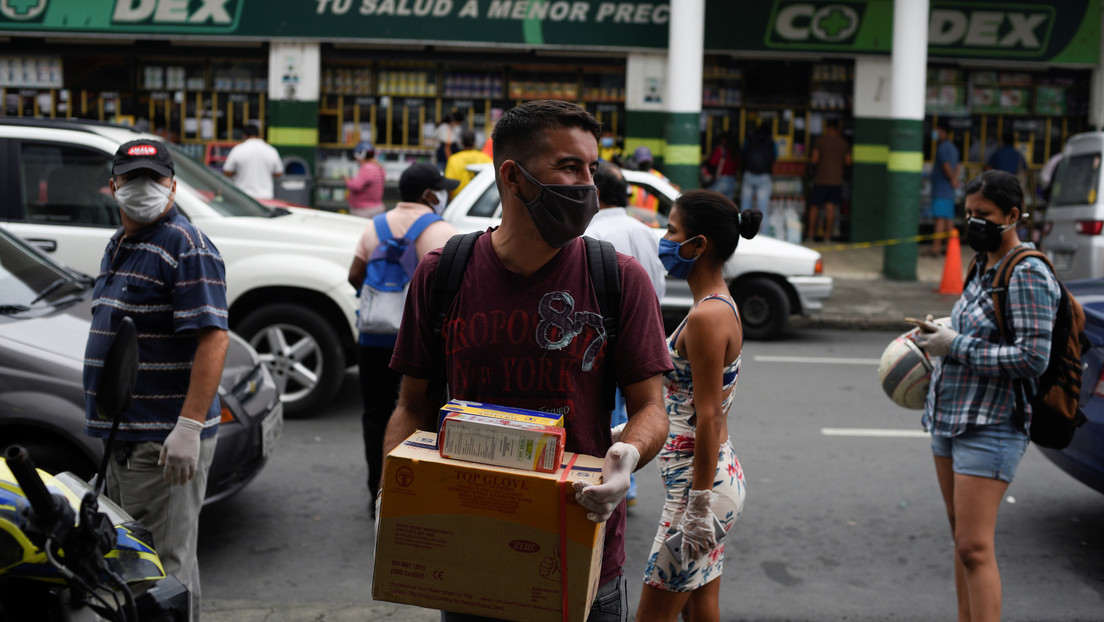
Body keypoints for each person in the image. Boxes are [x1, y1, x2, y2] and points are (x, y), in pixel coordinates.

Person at [382, 99, 672, 622]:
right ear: (513, 177)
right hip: (469, 555)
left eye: (591, 167)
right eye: (568, 167)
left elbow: (652, 405)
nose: (588, 185)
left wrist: (627, 454)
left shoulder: (618, 279)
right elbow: (412, 405)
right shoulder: (443, 273)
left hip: (582, 558)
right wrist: (394, 487)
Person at [84, 139, 229, 622]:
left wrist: (187, 427)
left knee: (160, 575)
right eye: (131, 178)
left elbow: (213, 338)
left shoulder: (185, 244)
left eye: (154, 178)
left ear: (172, 185)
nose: (142, 188)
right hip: (128, 440)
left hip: (161, 443)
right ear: (113, 187)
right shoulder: (122, 243)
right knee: (147, 569)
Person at [912, 170, 1059, 622]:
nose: (973, 222)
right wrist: (941, 332)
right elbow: (980, 328)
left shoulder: (1027, 271)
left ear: (1013, 215)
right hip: (949, 417)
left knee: (976, 548)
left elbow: (1033, 358)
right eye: (969, 213)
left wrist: (952, 344)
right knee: (963, 542)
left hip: (992, 425)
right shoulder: (982, 263)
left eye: (985, 215)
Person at [636, 190, 758, 622]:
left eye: (672, 230)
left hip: (699, 490)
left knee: (652, 616)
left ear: (699, 245)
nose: (664, 239)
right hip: (711, 478)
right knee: (701, 607)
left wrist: (699, 504)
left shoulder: (707, 317)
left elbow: (709, 414)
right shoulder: (714, 304)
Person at [348, 162, 458, 515]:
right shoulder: (442, 231)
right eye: (441, 189)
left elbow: (354, 275)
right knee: (422, 414)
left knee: (376, 415)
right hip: (421, 347)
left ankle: (374, 493)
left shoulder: (374, 226)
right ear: (429, 195)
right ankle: (416, 492)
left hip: (374, 340)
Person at [586, 160, 668, 508]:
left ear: (596, 193)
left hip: (604, 334)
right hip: (644, 330)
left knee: (613, 412)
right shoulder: (643, 230)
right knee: (635, 409)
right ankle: (626, 487)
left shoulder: (593, 233)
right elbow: (658, 284)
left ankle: (614, 483)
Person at [806, 120, 851, 242]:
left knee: (814, 207)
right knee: (830, 208)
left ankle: (810, 235)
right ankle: (827, 237)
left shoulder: (820, 141)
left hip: (820, 179)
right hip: (836, 181)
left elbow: (814, 159)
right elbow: (848, 162)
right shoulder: (843, 143)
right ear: (837, 129)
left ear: (827, 128)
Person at [222, 124, 284, 200]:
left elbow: (227, 172)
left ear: (244, 135)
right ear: (259, 135)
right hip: (266, 197)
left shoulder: (238, 150)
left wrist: (237, 172)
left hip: (243, 196)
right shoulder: (271, 150)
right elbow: (278, 173)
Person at [927, 119, 960, 256]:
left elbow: (946, 166)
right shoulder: (953, 147)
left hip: (942, 189)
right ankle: (950, 248)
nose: (935, 133)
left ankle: (935, 249)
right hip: (948, 190)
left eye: (937, 129)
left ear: (942, 131)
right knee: (948, 220)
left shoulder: (942, 147)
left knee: (940, 218)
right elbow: (958, 165)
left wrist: (952, 179)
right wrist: (955, 180)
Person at [741, 122, 777, 237]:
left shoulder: (750, 139)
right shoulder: (771, 141)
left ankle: (742, 232)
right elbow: (775, 156)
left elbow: (743, 153)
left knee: (745, 207)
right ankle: (764, 235)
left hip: (749, 175)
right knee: (762, 208)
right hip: (764, 176)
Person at [444, 128, 492, 198]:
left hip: (459, 200)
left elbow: (449, 186)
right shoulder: (485, 158)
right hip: (479, 200)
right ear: (475, 143)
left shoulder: (453, 159)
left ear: (461, 143)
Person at [345, 140, 386, 218]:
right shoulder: (377, 167)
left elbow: (356, 186)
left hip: (365, 210)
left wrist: (347, 181)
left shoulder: (367, 168)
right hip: (375, 208)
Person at [629, 146, 671, 212]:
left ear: (652, 160)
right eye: (643, 162)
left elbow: (672, 192)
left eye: (647, 161)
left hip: (655, 219)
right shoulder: (632, 177)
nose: (646, 164)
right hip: (634, 220)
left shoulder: (658, 177)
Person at [702, 133, 738, 201]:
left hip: (722, 180)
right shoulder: (735, 151)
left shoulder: (721, 149)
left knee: (706, 198)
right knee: (726, 207)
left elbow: (712, 162)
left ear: (724, 140)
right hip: (733, 181)